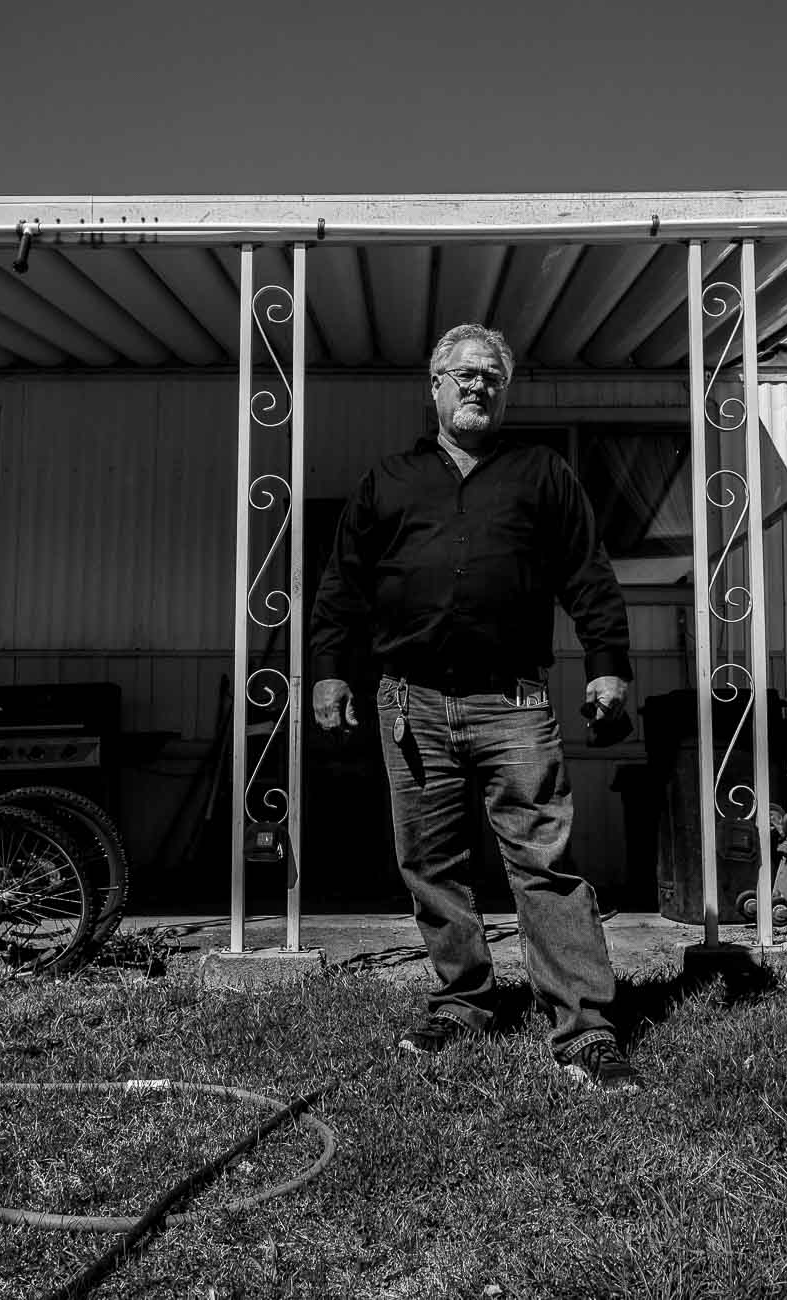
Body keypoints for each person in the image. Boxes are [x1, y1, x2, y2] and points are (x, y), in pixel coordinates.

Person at [309, 322, 642, 1093]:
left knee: (545, 864)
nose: (477, 385)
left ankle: (585, 1028)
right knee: (430, 863)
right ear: (434, 387)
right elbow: (342, 587)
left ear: (506, 389)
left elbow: (587, 575)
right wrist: (329, 671)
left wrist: (607, 664)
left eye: (490, 374)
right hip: (409, 702)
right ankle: (463, 1000)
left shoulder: (541, 474)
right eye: (461, 373)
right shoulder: (387, 480)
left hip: (515, 702)